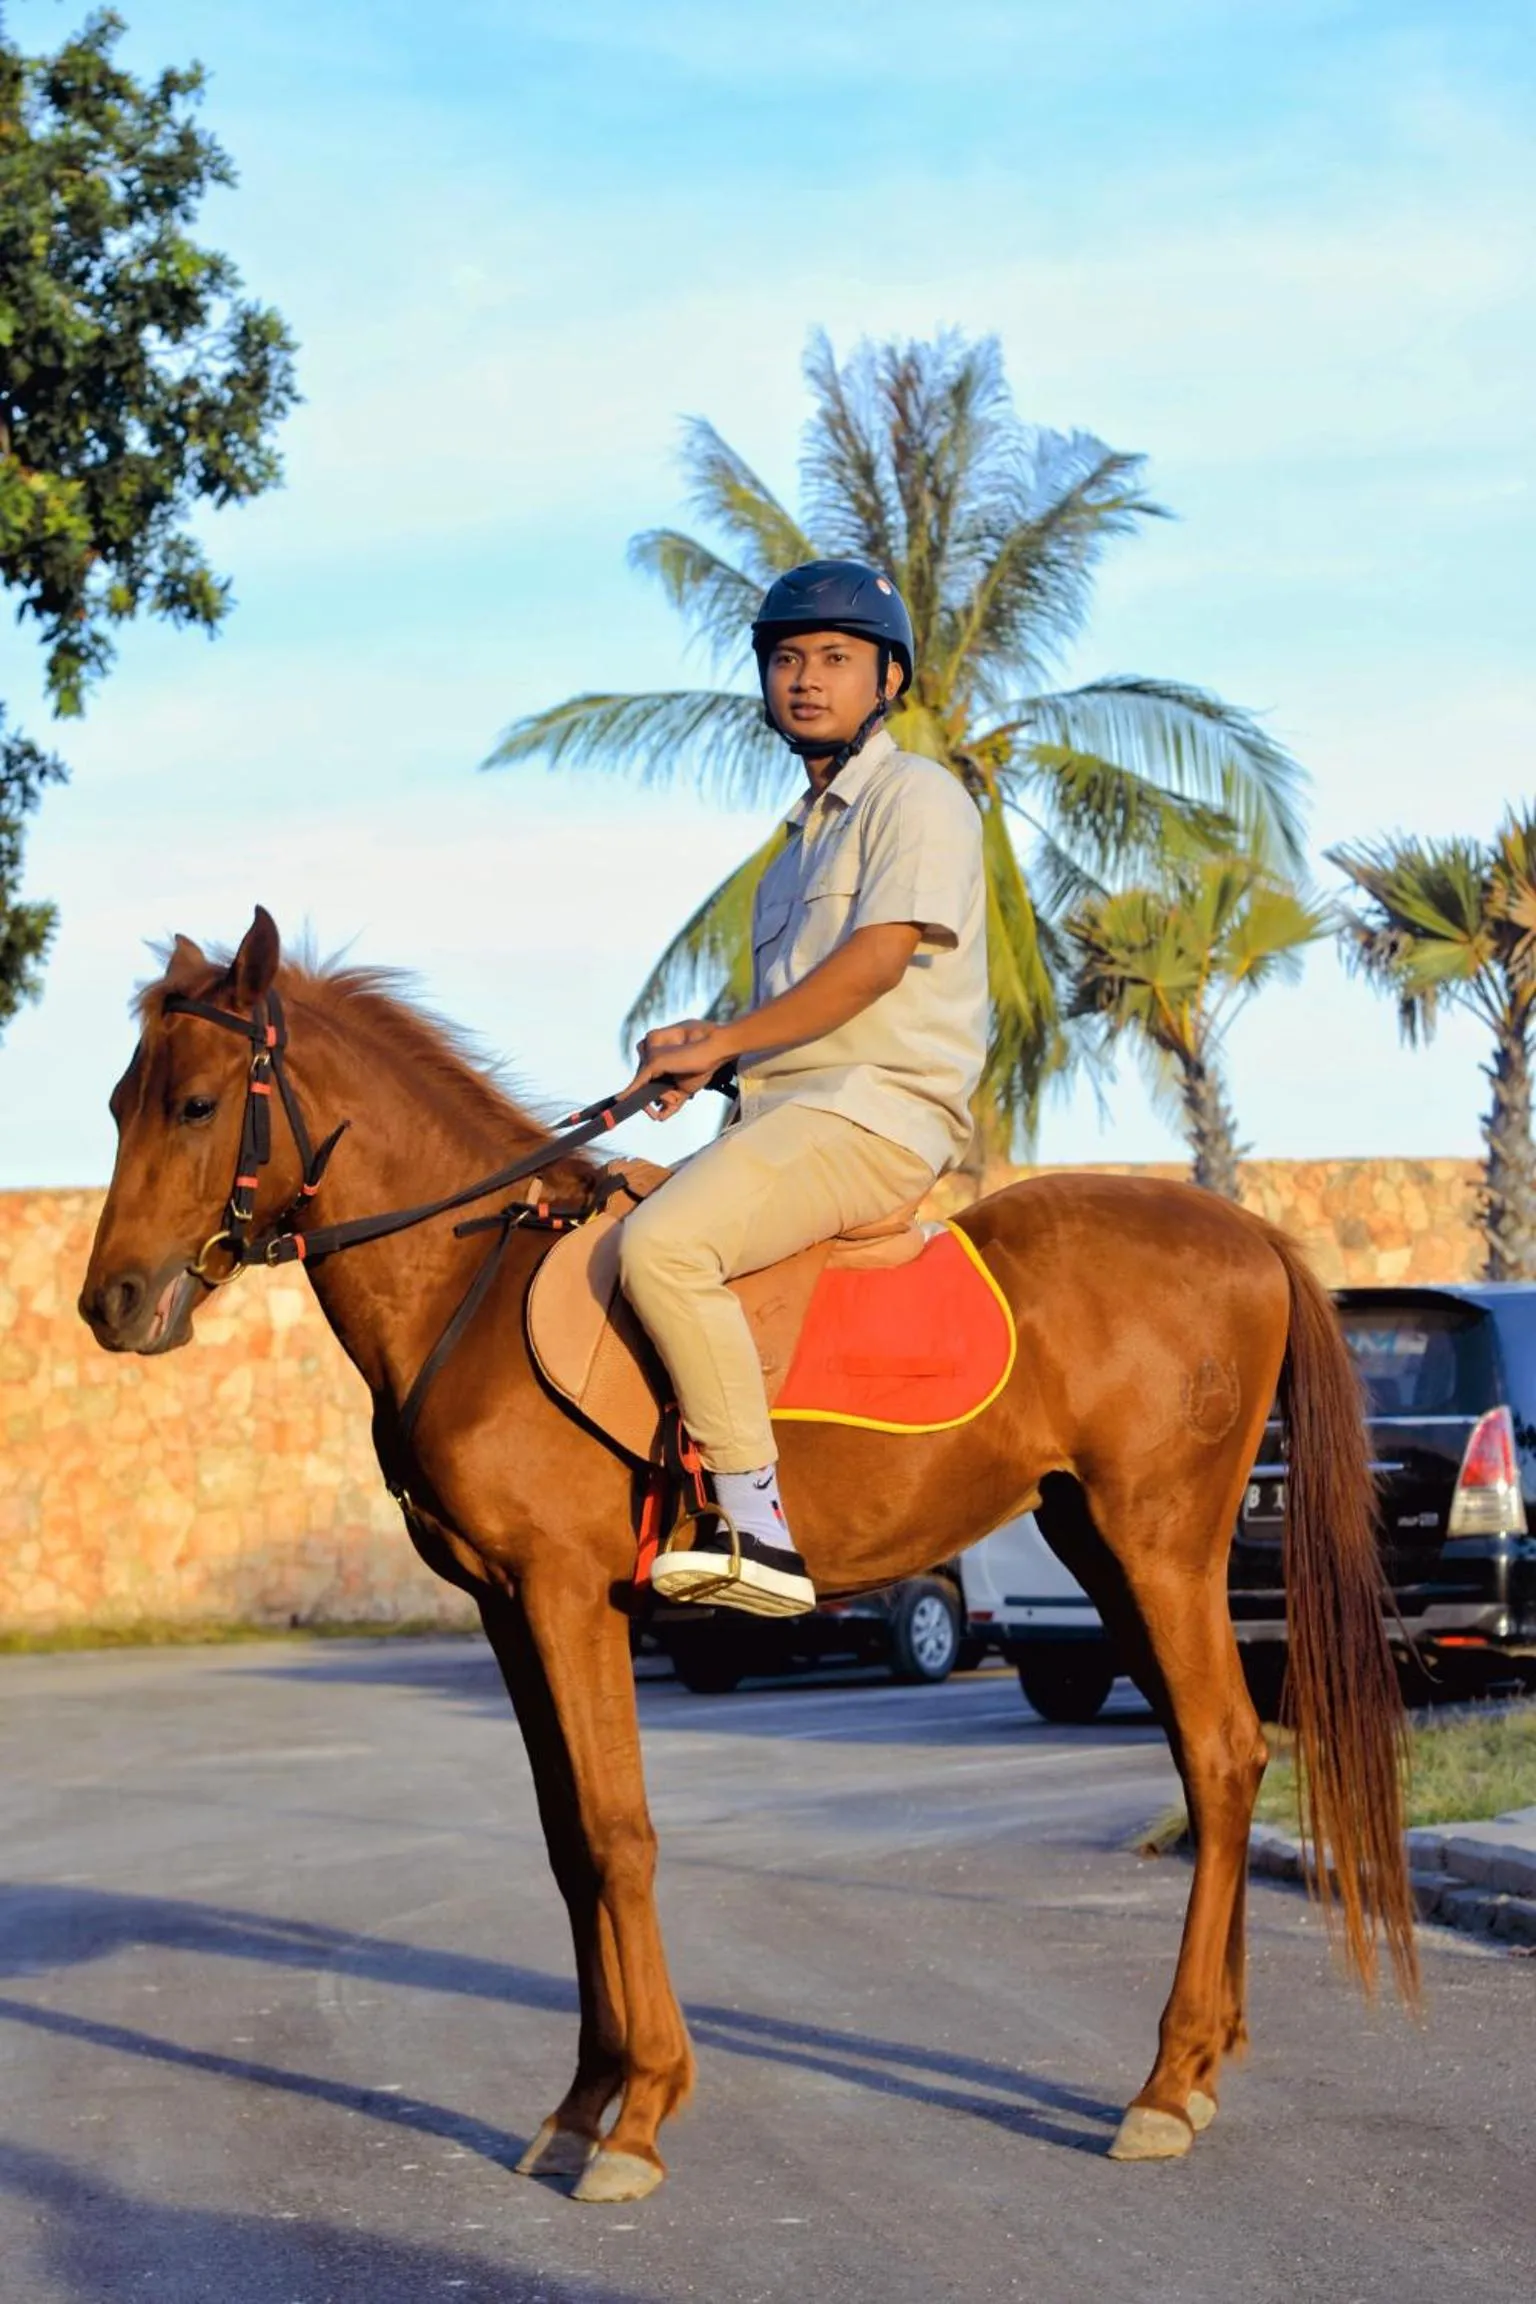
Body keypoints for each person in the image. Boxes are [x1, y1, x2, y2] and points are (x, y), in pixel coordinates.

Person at [617, 559, 988, 1617]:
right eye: (786, 659)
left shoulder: (917, 797)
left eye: (834, 658)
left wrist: (729, 1036)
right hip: (789, 1118)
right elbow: (800, 1011)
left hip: (878, 1116)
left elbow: (873, 964)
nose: (806, 678)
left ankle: (754, 1520)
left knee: (667, 1246)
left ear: (888, 682)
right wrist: (715, 1049)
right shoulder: (789, 852)